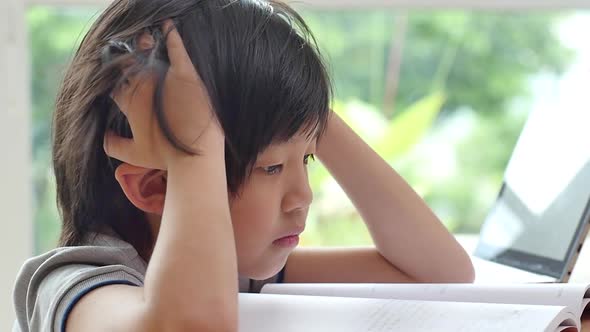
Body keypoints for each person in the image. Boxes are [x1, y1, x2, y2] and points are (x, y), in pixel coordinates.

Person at [12, 0, 474, 331]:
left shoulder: (238, 268)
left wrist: (293, 96)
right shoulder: (77, 288)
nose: (303, 197)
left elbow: (436, 273)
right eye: (272, 169)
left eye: (308, 159)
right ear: (155, 189)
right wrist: (195, 151)